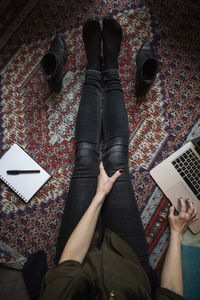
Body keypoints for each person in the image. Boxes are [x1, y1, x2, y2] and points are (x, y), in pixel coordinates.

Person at [39, 18, 198, 300]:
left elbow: (67, 269)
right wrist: (175, 232)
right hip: (129, 261)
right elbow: (170, 295)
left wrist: (100, 196)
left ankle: (93, 68)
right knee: (116, 157)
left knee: (86, 158)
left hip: (75, 261)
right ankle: (110, 67)